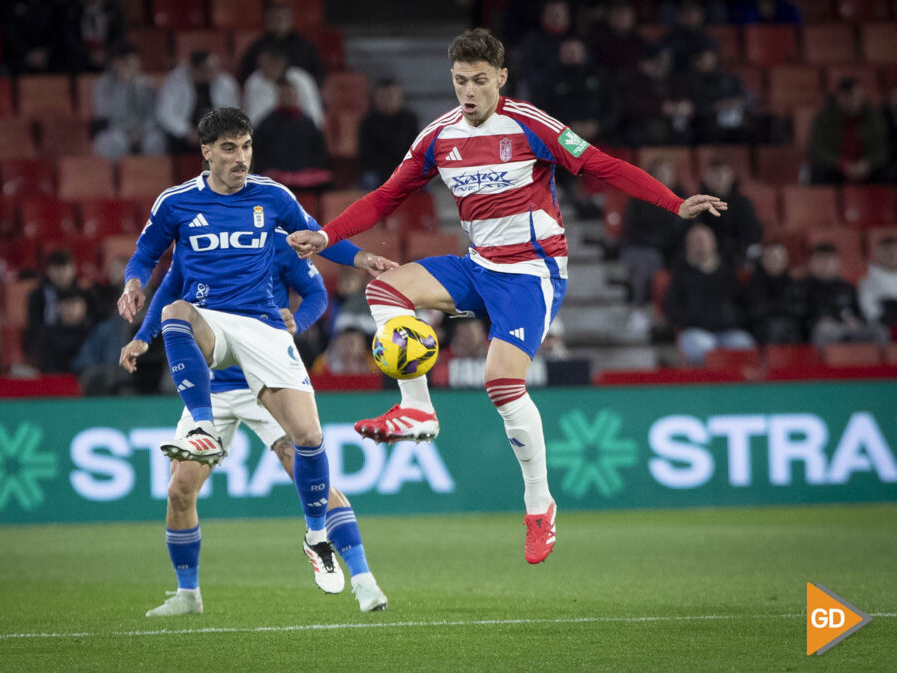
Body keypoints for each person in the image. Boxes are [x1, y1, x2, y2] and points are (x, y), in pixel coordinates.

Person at [287, 28, 727, 565]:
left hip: (532, 274)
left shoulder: (530, 124)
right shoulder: (438, 137)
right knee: (386, 287)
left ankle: (539, 505)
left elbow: (602, 165)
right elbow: (384, 197)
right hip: (478, 267)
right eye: (458, 81)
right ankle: (417, 409)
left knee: (500, 382)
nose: (467, 92)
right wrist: (329, 236)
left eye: (478, 81)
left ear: (500, 78)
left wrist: (673, 202)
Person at [117, 107, 396, 611]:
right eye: (229, 148)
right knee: (180, 489)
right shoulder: (177, 205)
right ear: (205, 152)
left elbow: (318, 238)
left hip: (262, 342)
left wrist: (361, 259)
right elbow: (151, 266)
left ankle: (361, 577)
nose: (240, 157)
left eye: (245, 147)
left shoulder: (273, 202)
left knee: (306, 449)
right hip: (216, 371)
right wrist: (139, 315)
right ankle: (188, 594)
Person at [664, 224, 755, 365]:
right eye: (695, 242)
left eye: (703, 241)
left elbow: (743, 302)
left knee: (744, 345)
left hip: (729, 331)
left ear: (713, 244)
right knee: (704, 349)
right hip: (696, 332)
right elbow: (671, 306)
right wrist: (690, 320)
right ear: (688, 246)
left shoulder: (728, 272)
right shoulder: (680, 273)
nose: (700, 245)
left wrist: (735, 319)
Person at [620, 158, 686, 336]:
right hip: (645, 248)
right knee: (646, 260)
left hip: (675, 250)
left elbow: (687, 229)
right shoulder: (639, 198)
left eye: (667, 172)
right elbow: (631, 231)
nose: (663, 177)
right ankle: (640, 308)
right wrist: (656, 243)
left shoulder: (684, 198)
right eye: (658, 173)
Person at [92, 44, 166, 162]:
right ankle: (115, 179)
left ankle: (153, 177)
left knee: (155, 141)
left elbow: (153, 114)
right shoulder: (102, 86)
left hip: (142, 131)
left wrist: (141, 132)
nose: (135, 67)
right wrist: (123, 86)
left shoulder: (147, 84)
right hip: (115, 130)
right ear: (116, 64)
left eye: (135, 63)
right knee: (115, 142)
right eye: (128, 64)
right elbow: (104, 115)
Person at [156, 52, 240, 154]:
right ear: (196, 69)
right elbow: (166, 114)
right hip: (183, 134)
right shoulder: (175, 82)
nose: (215, 73)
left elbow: (233, 113)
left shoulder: (225, 83)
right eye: (209, 70)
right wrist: (187, 132)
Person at [808, 78, 889, 185]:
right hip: (835, 169)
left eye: (856, 97)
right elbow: (817, 150)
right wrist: (842, 164)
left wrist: (867, 164)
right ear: (839, 98)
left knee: (886, 173)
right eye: (848, 98)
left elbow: (881, 150)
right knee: (818, 172)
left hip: (866, 169)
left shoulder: (873, 117)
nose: (853, 102)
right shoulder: (824, 117)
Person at [799, 242, 880, 347]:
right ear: (812, 263)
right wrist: (817, 320)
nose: (826, 265)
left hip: (848, 326)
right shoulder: (803, 287)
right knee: (824, 331)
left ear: (837, 262)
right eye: (821, 261)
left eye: (829, 260)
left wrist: (855, 320)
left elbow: (860, 313)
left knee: (878, 331)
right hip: (821, 329)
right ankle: (825, 362)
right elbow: (800, 316)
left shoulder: (848, 287)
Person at [236, 0, 324, 87]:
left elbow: (319, 76)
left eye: (283, 18)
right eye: (275, 18)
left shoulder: (305, 46)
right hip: (265, 95)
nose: (280, 22)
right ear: (267, 21)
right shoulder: (256, 48)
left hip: (298, 95)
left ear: (290, 20)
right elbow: (243, 77)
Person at [252, 78, 328, 176]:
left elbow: (319, 151)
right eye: (284, 94)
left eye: (290, 94)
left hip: (304, 175)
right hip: (275, 176)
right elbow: (257, 152)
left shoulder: (307, 123)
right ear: (278, 97)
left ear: (296, 96)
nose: (288, 97)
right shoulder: (266, 124)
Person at [694, 158, 761, 268]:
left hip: (739, 253)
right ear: (706, 178)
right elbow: (696, 232)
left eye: (724, 173)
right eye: (715, 174)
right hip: (709, 255)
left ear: (731, 176)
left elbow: (752, 233)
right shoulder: (697, 203)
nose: (720, 178)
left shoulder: (743, 204)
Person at [358, 78, 420, 190]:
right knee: (369, 181)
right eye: (383, 97)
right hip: (378, 169)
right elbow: (366, 155)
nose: (387, 101)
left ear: (399, 98)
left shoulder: (410, 120)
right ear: (375, 99)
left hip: (403, 166)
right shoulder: (368, 122)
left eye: (391, 96)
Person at [242, 45, 323, 129]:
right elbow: (253, 120)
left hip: (299, 134)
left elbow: (315, 117)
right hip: (266, 136)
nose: (263, 68)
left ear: (280, 63)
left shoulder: (302, 79)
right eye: (261, 65)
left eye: (270, 64)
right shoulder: (254, 81)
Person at [745, 240, 804, 344]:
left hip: (790, 329)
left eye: (777, 258)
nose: (774, 261)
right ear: (763, 261)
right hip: (763, 330)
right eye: (770, 258)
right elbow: (754, 313)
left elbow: (798, 312)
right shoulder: (754, 284)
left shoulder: (795, 285)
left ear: (785, 260)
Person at [33, 288, 92, 373]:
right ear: (58, 307)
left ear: (84, 307)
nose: (71, 309)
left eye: (74, 304)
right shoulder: (47, 334)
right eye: (66, 304)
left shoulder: (93, 333)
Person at [859, 236, 897, 338]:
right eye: (886, 252)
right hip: (883, 324)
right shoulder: (868, 280)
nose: (891, 255)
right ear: (878, 254)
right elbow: (869, 310)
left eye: (893, 251)